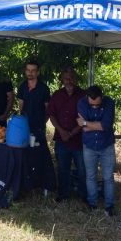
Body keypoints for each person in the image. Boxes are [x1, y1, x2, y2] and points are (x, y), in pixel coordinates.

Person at [77, 85, 117, 216]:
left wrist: (86, 123)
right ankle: (92, 203)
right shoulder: (82, 103)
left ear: (102, 97)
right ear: (87, 98)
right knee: (90, 176)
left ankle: (109, 206)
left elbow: (105, 125)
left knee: (108, 177)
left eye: (97, 105)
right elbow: (83, 127)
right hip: (89, 145)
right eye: (92, 105)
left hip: (106, 145)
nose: (94, 107)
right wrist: (93, 125)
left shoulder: (109, 103)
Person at [47, 68, 86, 203]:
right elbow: (51, 115)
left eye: (71, 78)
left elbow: (86, 117)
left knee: (83, 170)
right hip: (61, 139)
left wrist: (72, 132)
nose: (69, 81)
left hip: (79, 140)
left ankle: (84, 196)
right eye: (66, 78)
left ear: (76, 79)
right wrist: (62, 131)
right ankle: (63, 194)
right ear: (62, 80)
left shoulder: (83, 95)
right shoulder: (57, 95)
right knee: (63, 169)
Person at [16, 59, 51, 145]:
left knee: (39, 150)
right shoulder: (22, 86)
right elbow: (21, 107)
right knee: (25, 149)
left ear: (38, 72)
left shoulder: (44, 88)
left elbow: (48, 109)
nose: (30, 73)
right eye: (28, 70)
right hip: (25, 125)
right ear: (25, 71)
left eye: (33, 70)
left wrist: (42, 123)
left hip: (39, 128)